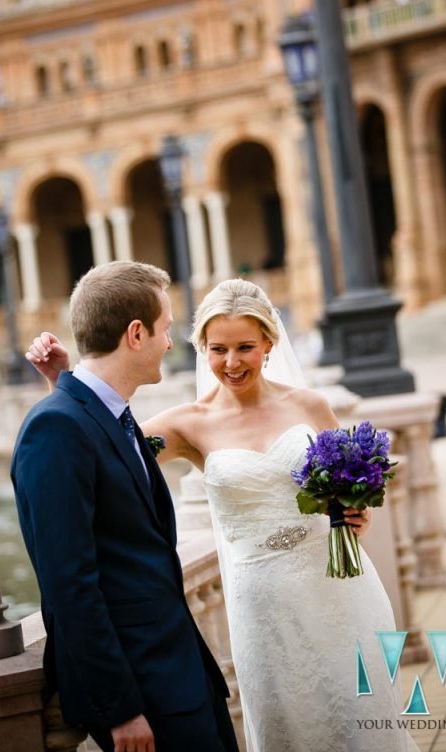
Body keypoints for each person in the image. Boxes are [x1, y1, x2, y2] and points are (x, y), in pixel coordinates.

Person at [28, 276, 418, 752]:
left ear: (270, 344)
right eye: (218, 349)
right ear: (202, 349)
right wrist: (59, 385)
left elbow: (350, 494)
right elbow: (102, 450)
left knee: (364, 723)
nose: (231, 363)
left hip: (337, 591)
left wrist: (356, 515)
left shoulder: (311, 407)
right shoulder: (185, 425)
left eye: (245, 347)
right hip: (263, 606)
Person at [12, 261, 239, 752]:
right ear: (136, 334)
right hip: (141, 694)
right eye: (165, 329)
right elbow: (69, 583)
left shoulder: (105, 412)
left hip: (180, 673)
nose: (170, 343)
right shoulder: (54, 428)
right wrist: (120, 707)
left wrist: (61, 382)